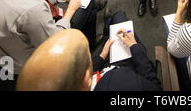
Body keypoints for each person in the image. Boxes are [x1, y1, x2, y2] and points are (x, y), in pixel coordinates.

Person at [17, 11, 162, 91]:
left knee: (116, 22)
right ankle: (111, 21)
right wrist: (135, 48)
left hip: (104, 69)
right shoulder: (120, 83)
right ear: (86, 77)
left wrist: (101, 55)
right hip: (126, 70)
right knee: (122, 20)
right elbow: (155, 86)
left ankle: (109, 23)